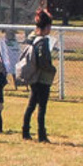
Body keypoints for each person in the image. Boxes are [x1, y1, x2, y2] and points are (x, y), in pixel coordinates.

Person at [20, 8, 56, 143]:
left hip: (34, 79)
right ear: (47, 27)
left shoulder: (33, 39)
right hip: (42, 79)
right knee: (42, 108)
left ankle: (25, 131)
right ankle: (41, 134)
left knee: (31, 106)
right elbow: (43, 61)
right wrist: (51, 68)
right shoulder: (43, 41)